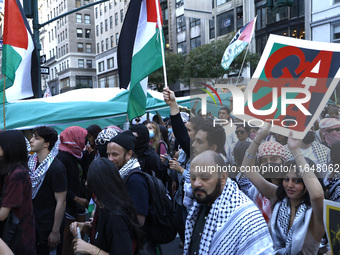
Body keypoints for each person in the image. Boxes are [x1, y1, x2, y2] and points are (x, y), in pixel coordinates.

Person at [242, 124, 325, 254]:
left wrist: (295, 151)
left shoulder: (316, 213)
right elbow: (247, 169)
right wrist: (259, 137)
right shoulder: (278, 198)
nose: (290, 185)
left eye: (297, 181)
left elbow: (317, 195)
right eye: (286, 179)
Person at [184, 150, 274, 254]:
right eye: (193, 177)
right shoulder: (199, 204)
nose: (197, 183)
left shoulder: (246, 217)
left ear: (222, 178)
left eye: (205, 177)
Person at [70, 158, 143, 255]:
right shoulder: (104, 206)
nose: (87, 185)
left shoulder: (116, 216)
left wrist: (92, 250)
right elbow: (105, 236)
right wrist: (85, 227)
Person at [106, 131, 156, 253]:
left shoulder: (135, 180)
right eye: (108, 154)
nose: (110, 159)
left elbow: (139, 220)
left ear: (129, 154)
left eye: (114, 154)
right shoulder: (122, 174)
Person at [28, 126, 67, 255]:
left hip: (48, 226)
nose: (31, 140)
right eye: (32, 136)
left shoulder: (56, 168)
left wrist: (55, 231)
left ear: (46, 144)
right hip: (34, 223)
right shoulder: (31, 163)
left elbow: (61, 201)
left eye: (36, 138)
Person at [0, 130, 36, 254]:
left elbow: (2, 214)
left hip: (18, 238)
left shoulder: (18, 174)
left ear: (9, 146)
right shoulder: (9, 170)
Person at [56, 126, 88, 255]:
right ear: (75, 138)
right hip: (68, 204)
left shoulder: (78, 154)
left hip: (78, 203)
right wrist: (76, 198)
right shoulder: (62, 157)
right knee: (68, 236)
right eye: (83, 138)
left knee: (78, 236)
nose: (85, 141)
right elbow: (61, 186)